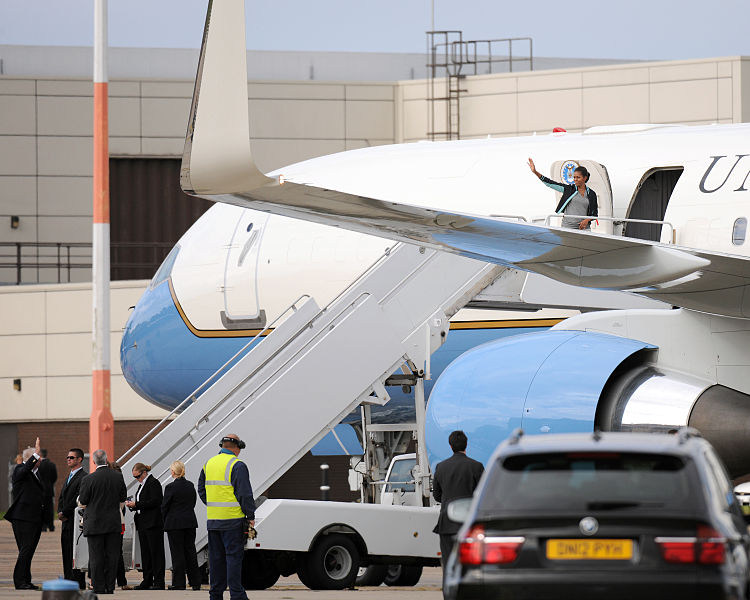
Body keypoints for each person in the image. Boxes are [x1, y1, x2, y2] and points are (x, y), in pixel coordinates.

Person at [198, 434, 256, 600]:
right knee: (233, 558)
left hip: (214, 521)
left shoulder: (208, 464)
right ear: (236, 447)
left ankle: (215, 595)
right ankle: (237, 595)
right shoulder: (237, 465)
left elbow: (201, 489)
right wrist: (250, 515)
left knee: (216, 560)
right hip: (232, 521)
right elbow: (244, 494)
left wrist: (213, 505)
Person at [432, 430, 484, 581]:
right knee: (472, 562)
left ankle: (450, 592)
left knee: (448, 563)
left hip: (447, 522)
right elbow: (483, 495)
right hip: (470, 523)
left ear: (450, 446)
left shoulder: (441, 467)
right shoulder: (476, 466)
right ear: (466, 445)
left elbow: (437, 496)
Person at [78, 449, 127, 595]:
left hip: (94, 524)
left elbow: (84, 500)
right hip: (112, 523)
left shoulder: (88, 479)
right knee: (112, 556)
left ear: (93, 462)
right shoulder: (117, 477)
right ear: (106, 460)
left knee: (96, 557)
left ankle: (99, 587)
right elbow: (122, 497)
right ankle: (109, 586)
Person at [4, 438, 44, 590]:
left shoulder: (36, 473)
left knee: (29, 550)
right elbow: (26, 468)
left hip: (34, 518)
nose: (41, 460)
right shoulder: (20, 470)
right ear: (31, 459)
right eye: (38, 458)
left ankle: (26, 580)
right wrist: (36, 453)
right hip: (23, 518)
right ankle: (19, 581)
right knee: (25, 549)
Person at [162, 460, 201, 591]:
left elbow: (165, 506)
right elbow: (193, 503)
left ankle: (179, 583)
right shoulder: (190, 485)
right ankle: (195, 582)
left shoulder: (170, 488)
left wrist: (163, 521)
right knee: (190, 552)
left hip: (175, 524)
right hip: (189, 522)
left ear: (173, 472)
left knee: (177, 553)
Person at [125, 462, 165, 590]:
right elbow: (143, 503)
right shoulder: (142, 485)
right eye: (135, 477)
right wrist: (133, 506)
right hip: (143, 522)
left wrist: (136, 504)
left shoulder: (153, 483)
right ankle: (147, 580)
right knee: (146, 553)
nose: (137, 479)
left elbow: (156, 501)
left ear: (144, 472)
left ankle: (159, 581)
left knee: (156, 553)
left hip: (153, 523)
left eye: (138, 476)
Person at [527, 157, 598, 230]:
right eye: (574, 177)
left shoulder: (591, 194)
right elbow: (549, 183)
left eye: (578, 177)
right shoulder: (569, 189)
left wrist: (587, 220)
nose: (575, 180)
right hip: (568, 227)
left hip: (584, 228)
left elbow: (595, 214)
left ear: (585, 178)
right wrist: (535, 172)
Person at [58, 447, 87, 589]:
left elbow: (77, 498)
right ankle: (68, 579)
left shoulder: (83, 477)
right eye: (67, 458)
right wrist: (60, 511)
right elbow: (62, 497)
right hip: (65, 522)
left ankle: (76, 581)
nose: (68, 460)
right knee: (66, 552)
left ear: (79, 459)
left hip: (74, 521)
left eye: (71, 457)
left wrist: (64, 512)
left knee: (75, 552)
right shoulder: (69, 476)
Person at [108, 461, 133, 591]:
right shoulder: (120, 483)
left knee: (109, 552)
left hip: (109, 522)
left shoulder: (109, 483)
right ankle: (122, 582)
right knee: (118, 552)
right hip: (118, 521)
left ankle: (109, 581)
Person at [38, 448, 58, 532]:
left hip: (40, 490)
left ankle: (43, 526)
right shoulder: (52, 464)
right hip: (49, 490)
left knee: (41, 508)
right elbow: (55, 477)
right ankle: (51, 525)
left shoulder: (38, 465)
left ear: (40, 455)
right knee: (49, 508)